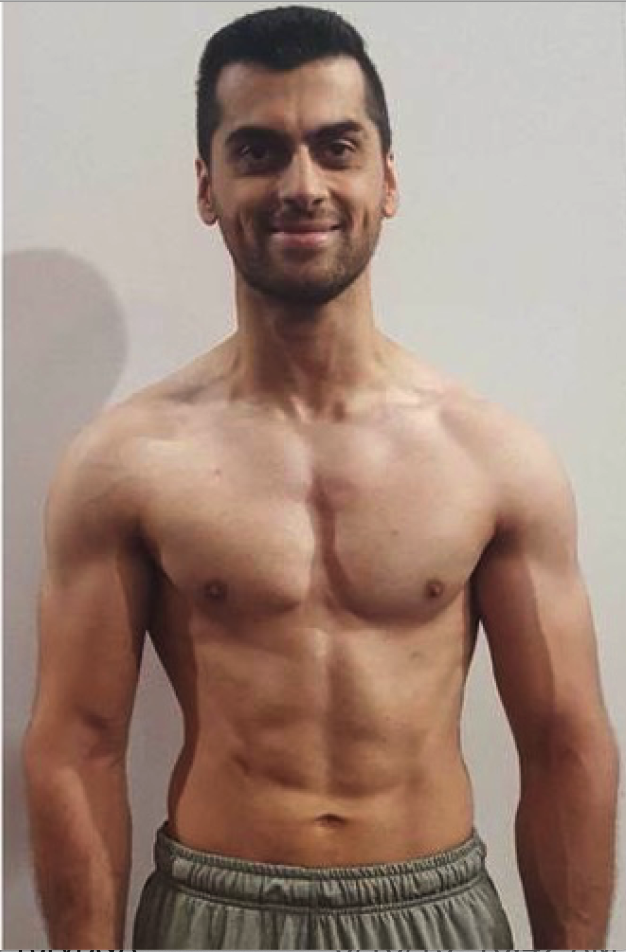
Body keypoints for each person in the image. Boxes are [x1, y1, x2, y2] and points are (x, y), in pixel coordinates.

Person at [23, 5, 619, 950]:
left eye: (336, 148)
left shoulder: (492, 459)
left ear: (387, 178)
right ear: (208, 186)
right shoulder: (126, 464)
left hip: (433, 916)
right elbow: (77, 747)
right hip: (214, 916)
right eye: (258, 152)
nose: (302, 186)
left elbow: (565, 744)